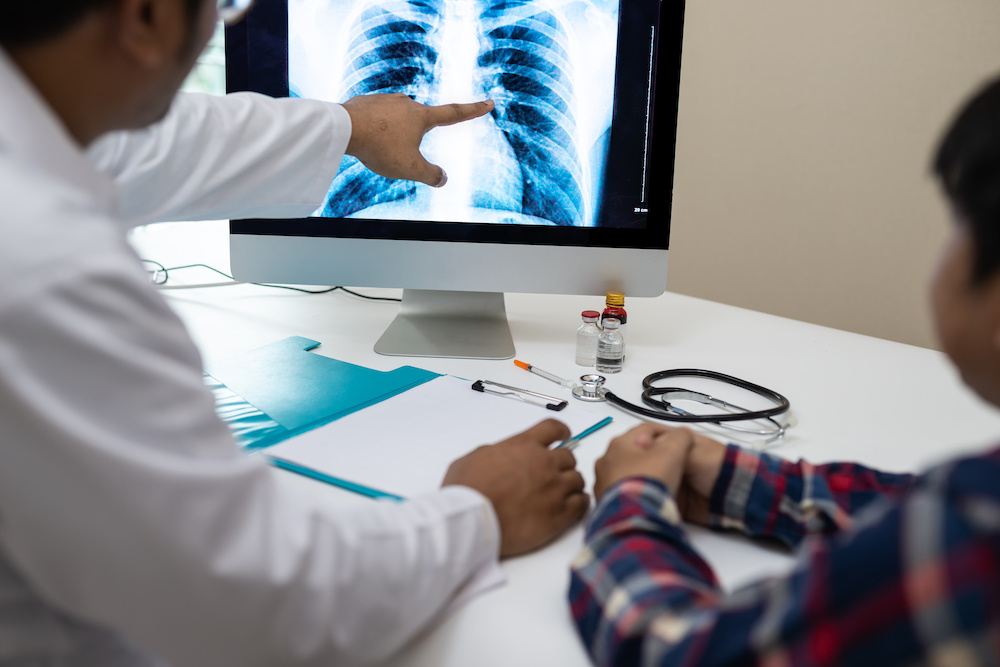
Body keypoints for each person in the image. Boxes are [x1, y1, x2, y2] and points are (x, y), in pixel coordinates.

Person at [0, 0, 588, 664]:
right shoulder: (47, 269)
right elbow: (255, 604)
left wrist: (348, 128)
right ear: (145, 17)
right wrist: (476, 513)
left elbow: (140, 150)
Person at [569, 74, 1000, 666]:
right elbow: (916, 506)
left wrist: (629, 501)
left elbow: (680, 650)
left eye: (960, 226)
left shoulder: (967, 546)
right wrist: (737, 479)